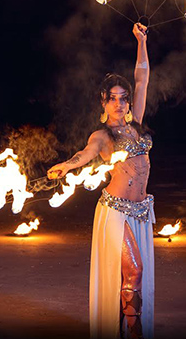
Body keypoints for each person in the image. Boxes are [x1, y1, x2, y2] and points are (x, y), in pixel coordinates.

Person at [48, 23, 154, 339]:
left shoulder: (136, 125)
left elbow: (142, 77)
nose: (120, 105)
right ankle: (132, 333)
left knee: (132, 275)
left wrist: (141, 42)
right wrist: (67, 165)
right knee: (134, 270)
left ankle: (128, 329)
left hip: (142, 211)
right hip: (116, 213)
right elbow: (84, 154)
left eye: (123, 99)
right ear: (103, 102)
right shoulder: (102, 135)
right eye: (113, 99)